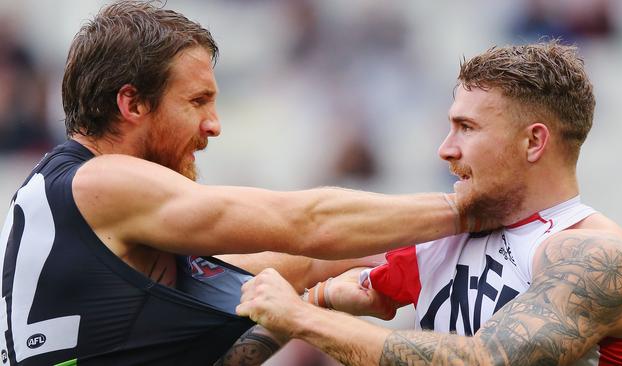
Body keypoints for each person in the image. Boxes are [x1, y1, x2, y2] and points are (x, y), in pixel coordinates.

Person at [0, 2, 492, 365]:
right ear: (131, 104)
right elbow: (305, 222)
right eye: (197, 101)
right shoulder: (100, 182)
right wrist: (470, 209)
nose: (214, 125)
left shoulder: (95, 220)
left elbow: (292, 264)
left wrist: (322, 295)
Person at [237, 41, 622, 365]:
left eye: (466, 128)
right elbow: (306, 271)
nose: (445, 150)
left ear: (534, 141)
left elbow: (487, 359)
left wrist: (303, 317)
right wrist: (314, 300)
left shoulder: (597, 253)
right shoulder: (443, 240)